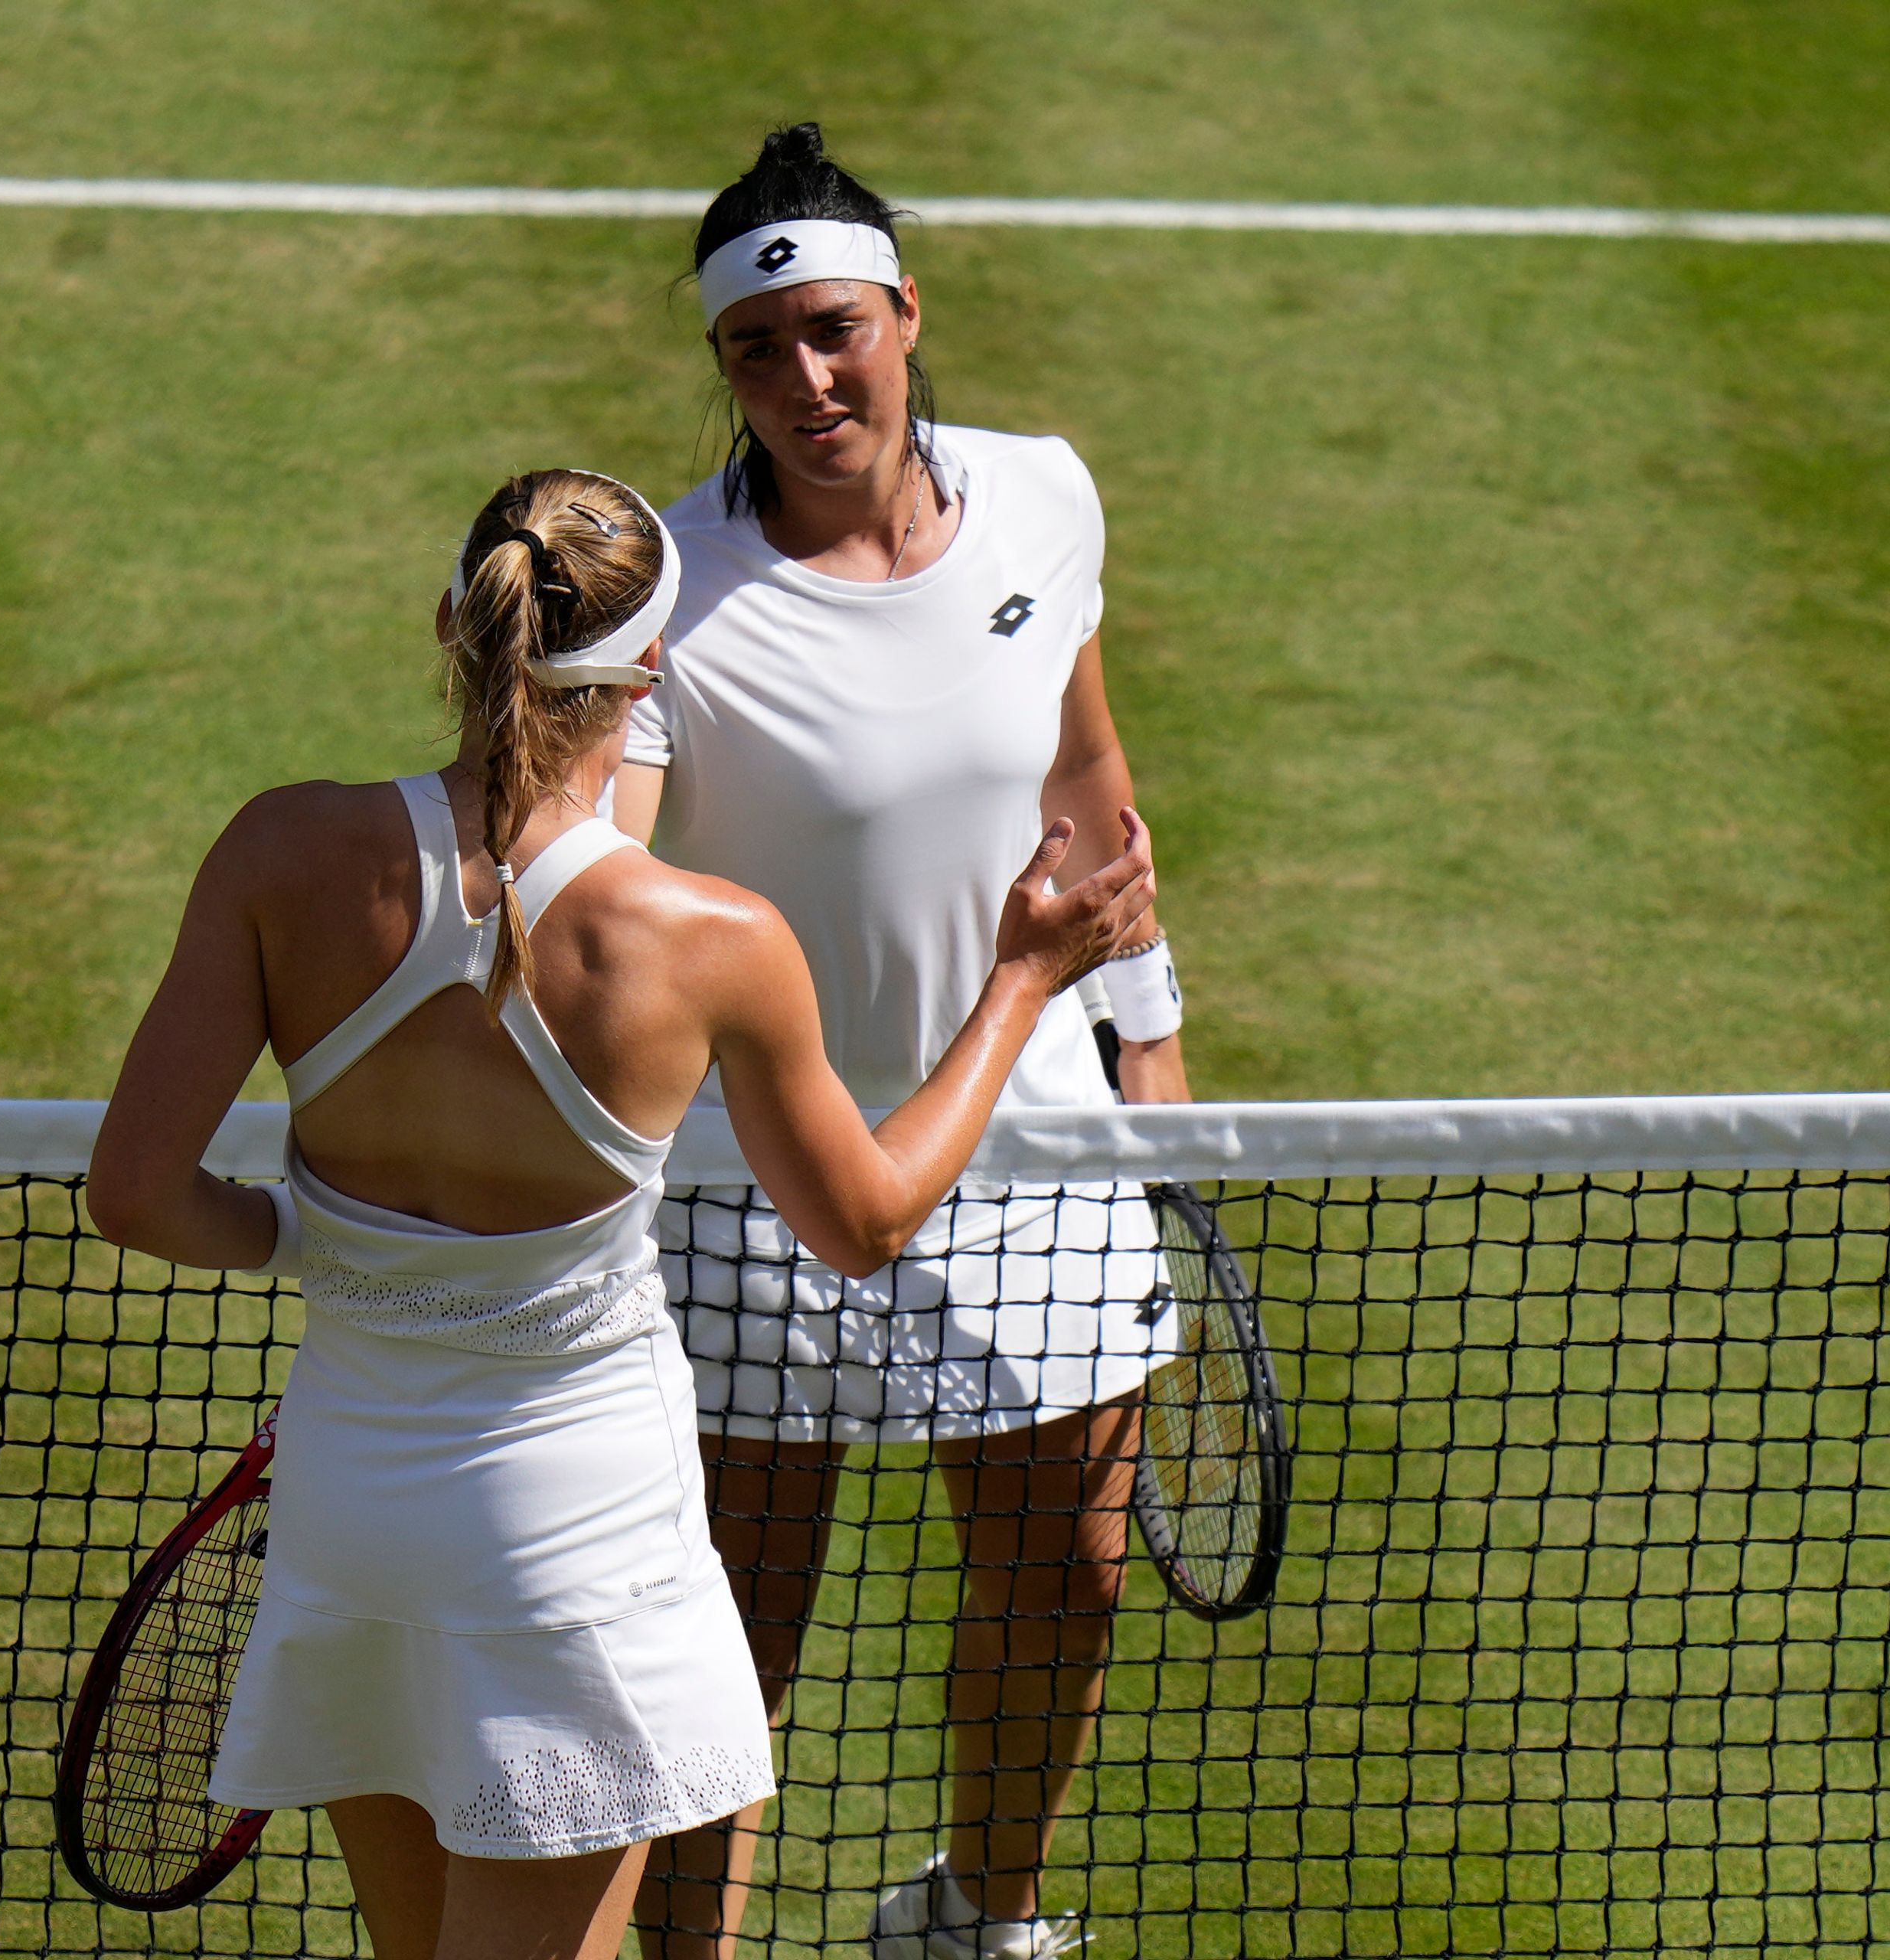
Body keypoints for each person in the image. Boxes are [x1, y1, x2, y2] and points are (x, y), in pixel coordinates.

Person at [85, 466, 1155, 1960]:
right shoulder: (704, 942)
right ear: (652, 671)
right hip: (567, 1546)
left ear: (455, 622)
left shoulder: (280, 855)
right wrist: (1024, 984)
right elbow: (864, 1220)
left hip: (350, 1512)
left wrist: (297, 1236)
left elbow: (135, 1191)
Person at [611, 127, 1193, 1960]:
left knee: (1069, 1578)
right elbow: (598, 875)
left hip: (1029, 1140)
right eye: (757, 347)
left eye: (837, 329)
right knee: (729, 1635)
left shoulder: (1043, 499)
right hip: (743, 1176)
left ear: (907, 317)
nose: (806, 378)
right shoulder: (662, 589)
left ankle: (978, 1917)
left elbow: (1083, 775)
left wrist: (1149, 1043)